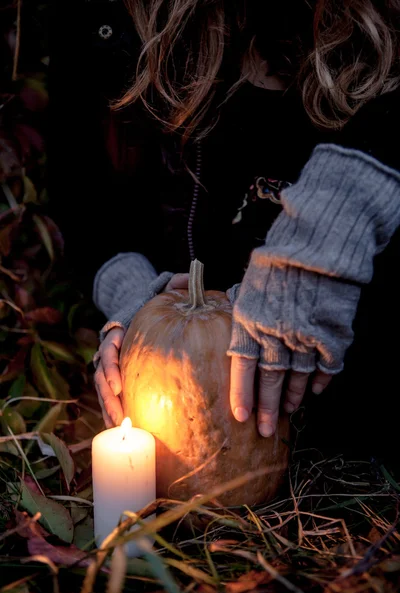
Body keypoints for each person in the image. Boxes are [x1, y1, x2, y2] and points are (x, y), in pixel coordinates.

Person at [51, 1, 400, 457]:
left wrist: (345, 208)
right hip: (200, 405)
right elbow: (85, 196)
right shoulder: (104, 22)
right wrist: (133, 295)